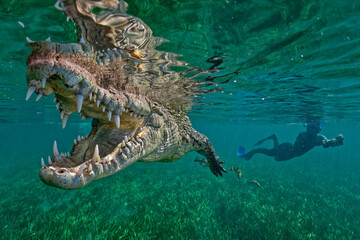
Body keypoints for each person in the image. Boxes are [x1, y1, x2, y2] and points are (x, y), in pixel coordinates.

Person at [238, 121, 344, 161]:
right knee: (272, 154)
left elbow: (326, 143)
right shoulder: (314, 137)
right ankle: (247, 155)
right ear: (308, 127)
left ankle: (248, 154)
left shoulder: (318, 138)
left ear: (319, 130)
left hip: (289, 150)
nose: (314, 131)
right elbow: (326, 143)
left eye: (316, 129)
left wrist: (334, 141)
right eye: (312, 128)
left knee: (272, 154)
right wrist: (333, 141)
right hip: (287, 150)